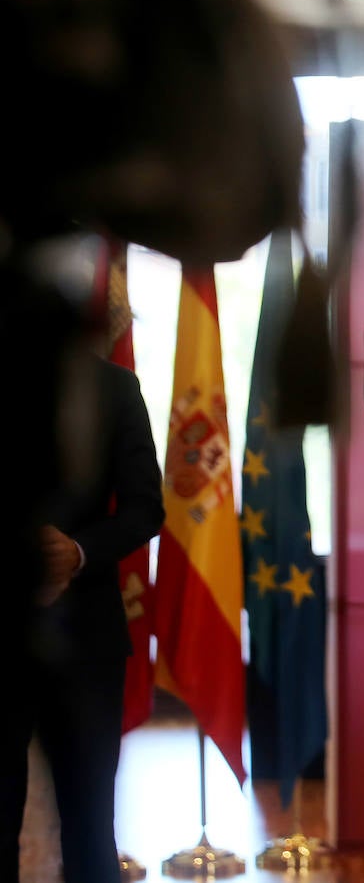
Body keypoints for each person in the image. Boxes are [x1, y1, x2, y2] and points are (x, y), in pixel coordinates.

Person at [0, 353, 165, 883]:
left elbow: (146, 508)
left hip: (88, 635)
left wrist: (78, 550)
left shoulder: (114, 387)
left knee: (91, 826)